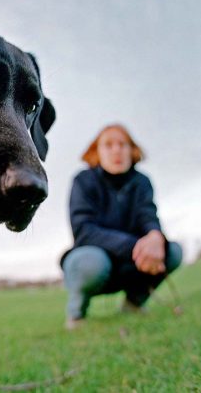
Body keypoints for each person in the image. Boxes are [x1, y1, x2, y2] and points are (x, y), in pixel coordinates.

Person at [61, 124, 182, 330]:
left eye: (122, 144)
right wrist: (135, 246)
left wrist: (155, 236)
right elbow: (83, 230)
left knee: (173, 251)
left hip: (131, 263)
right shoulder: (83, 180)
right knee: (92, 262)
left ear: (131, 150)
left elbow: (148, 215)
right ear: (97, 152)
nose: (116, 150)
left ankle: (134, 303)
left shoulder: (142, 182)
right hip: (96, 262)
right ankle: (76, 313)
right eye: (108, 145)